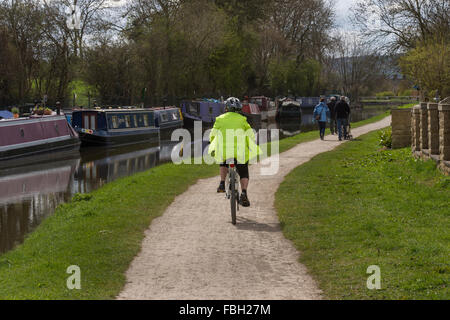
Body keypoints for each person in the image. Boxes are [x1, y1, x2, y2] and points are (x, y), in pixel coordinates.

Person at [208, 97, 261, 207]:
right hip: (240, 153)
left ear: (226, 108)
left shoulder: (219, 119)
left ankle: (222, 183)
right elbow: (250, 135)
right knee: (244, 171)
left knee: (223, 161)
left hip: (225, 152)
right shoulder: (242, 120)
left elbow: (212, 135)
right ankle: (244, 193)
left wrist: (213, 144)